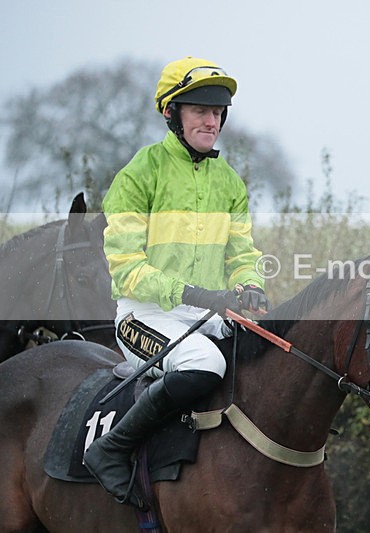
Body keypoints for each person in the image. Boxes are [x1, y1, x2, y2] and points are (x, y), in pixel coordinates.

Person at [83, 56, 268, 510]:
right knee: (205, 365)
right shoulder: (138, 175)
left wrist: (250, 284)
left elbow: (243, 254)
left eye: (218, 112)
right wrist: (194, 294)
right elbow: (126, 268)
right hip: (144, 315)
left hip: (208, 316)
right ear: (172, 114)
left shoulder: (229, 183)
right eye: (200, 110)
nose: (212, 120)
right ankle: (111, 449)